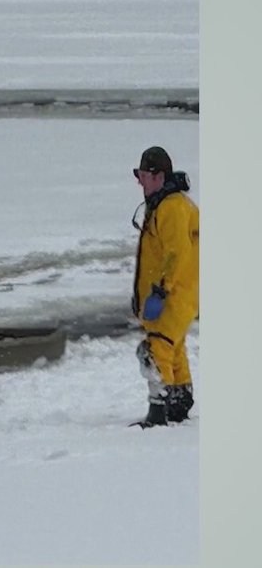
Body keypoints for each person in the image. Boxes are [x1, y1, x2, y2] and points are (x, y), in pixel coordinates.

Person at [129, 146, 198, 428]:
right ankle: (180, 403)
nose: (139, 182)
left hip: (173, 294)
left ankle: (158, 411)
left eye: (143, 175)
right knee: (174, 347)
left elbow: (177, 253)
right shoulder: (172, 204)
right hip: (185, 294)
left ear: (158, 176)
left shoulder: (171, 208)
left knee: (155, 349)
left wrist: (160, 290)